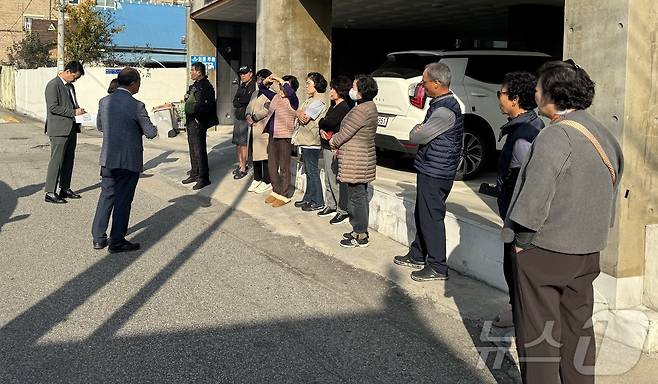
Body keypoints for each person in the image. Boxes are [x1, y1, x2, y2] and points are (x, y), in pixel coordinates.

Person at [502, 60, 623, 383]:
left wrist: (521, 243)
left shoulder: (555, 136)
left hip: (547, 250)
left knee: (538, 334)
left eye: (539, 88)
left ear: (553, 95)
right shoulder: (602, 132)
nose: (536, 93)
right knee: (577, 326)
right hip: (587, 249)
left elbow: (534, 198)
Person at [393, 62, 464, 281]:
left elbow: (417, 136)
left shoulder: (444, 110)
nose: (421, 86)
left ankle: (437, 266)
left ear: (437, 83)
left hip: (437, 171)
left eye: (424, 82)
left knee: (431, 217)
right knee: (422, 213)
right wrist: (420, 130)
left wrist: (417, 131)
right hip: (431, 166)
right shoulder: (439, 105)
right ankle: (417, 254)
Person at [492, 71, 545, 328]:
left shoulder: (524, 134)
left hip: (518, 216)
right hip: (514, 212)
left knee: (515, 265)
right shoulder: (529, 125)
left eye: (500, 93)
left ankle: (519, 314)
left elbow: (530, 181)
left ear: (514, 99)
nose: (498, 98)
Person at [91, 67, 158, 253]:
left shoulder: (104, 102)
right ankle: (117, 241)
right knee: (123, 201)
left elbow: (100, 126)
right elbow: (150, 133)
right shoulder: (137, 105)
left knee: (106, 196)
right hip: (129, 161)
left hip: (108, 159)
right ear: (134, 83)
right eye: (139, 83)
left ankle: (98, 237)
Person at [330, 75, 378, 248]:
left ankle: (360, 234)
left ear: (362, 91)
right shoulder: (367, 107)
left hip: (356, 159)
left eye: (355, 87)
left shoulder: (361, 110)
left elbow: (346, 133)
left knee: (357, 197)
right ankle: (358, 229)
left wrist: (333, 140)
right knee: (359, 195)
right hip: (359, 158)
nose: (352, 90)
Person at [43, 60, 86, 204]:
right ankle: (50, 192)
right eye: (75, 77)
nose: (75, 80)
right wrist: (74, 112)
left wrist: (79, 112)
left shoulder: (70, 87)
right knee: (56, 160)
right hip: (58, 129)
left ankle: (65, 188)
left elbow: (72, 103)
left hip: (71, 127)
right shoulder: (53, 85)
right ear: (68, 72)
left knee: (69, 159)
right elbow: (53, 108)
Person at [259, 74, 299, 207]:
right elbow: (262, 88)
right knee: (272, 165)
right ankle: (276, 190)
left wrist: (282, 81)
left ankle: (284, 193)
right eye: (281, 86)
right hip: (272, 135)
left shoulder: (293, 100)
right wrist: (268, 80)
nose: (282, 88)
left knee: (284, 167)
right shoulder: (276, 97)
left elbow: (291, 93)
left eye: (285, 86)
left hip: (284, 137)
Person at [318, 75, 352, 224]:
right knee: (328, 178)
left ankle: (341, 209)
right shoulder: (333, 106)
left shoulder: (343, 107)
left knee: (335, 179)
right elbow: (324, 123)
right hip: (326, 144)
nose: (330, 91)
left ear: (340, 90)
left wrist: (321, 124)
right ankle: (331, 204)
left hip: (335, 147)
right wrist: (321, 127)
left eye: (333, 88)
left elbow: (328, 122)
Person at [292, 72, 328, 212]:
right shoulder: (310, 100)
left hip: (312, 141)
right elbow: (299, 112)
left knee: (312, 172)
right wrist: (300, 112)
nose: (306, 86)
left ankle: (318, 201)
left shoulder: (318, 101)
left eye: (309, 83)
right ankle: (308, 197)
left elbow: (304, 118)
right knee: (308, 171)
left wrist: (299, 112)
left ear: (316, 85)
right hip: (305, 140)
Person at [181, 62, 219, 190]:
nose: (191, 72)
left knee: (199, 150)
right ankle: (194, 173)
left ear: (199, 72)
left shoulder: (206, 86)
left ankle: (204, 177)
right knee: (193, 148)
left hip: (198, 122)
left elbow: (208, 106)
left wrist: (198, 118)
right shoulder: (195, 85)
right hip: (191, 121)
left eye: (192, 70)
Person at [245, 68, 273, 194]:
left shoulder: (270, 94)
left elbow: (268, 109)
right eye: (258, 78)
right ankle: (257, 178)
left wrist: (255, 118)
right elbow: (248, 107)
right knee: (254, 156)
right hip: (252, 129)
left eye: (261, 78)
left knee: (264, 156)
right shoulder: (255, 93)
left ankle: (267, 181)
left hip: (262, 129)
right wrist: (247, 116)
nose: (258, 81)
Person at [232, 65, 256, 179]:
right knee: (238, 143)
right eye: (241, 74)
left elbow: (248, 99)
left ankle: (243, 167)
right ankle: (240, 163)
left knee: (244, 143)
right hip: (238, 117)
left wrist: (240, 100)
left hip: (246, 118)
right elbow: (235, 101)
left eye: (245, 73)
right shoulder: (241, 85)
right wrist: (241, 100)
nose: (242, 75)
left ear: (250, 74)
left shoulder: (253, 86)